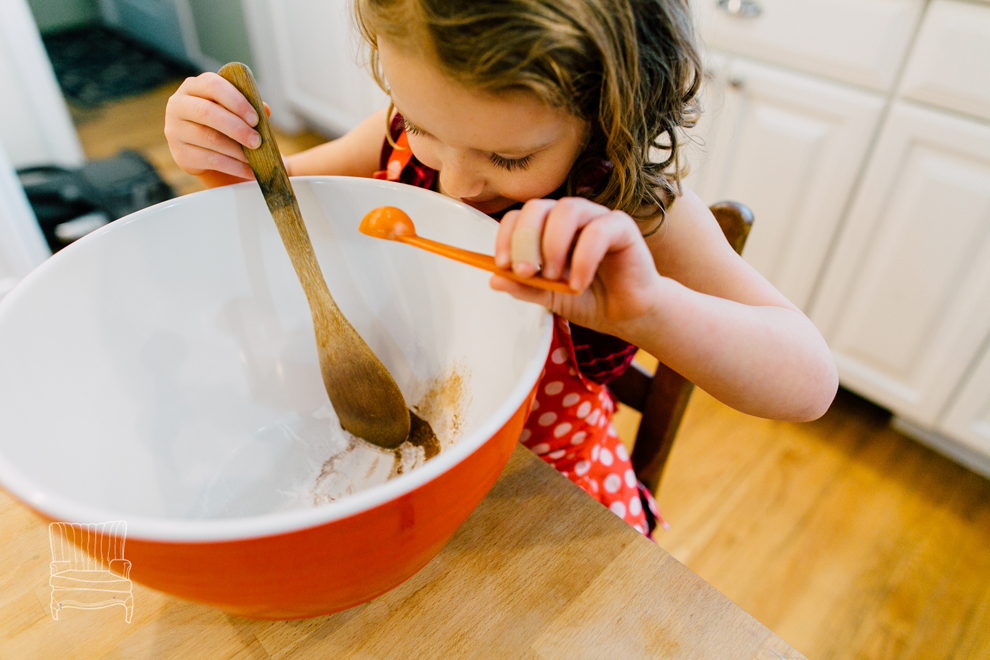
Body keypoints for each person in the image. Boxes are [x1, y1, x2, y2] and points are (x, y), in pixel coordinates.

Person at [164, 0, 838, 537]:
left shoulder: (635, 211)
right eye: (424, 125)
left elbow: (808, 381)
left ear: (613, 112)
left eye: (509, 160)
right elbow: (269, 204)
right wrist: (218, 153)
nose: (453, 181)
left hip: (544, 503)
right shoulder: (396, 137)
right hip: (407, 474)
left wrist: (652, 308)